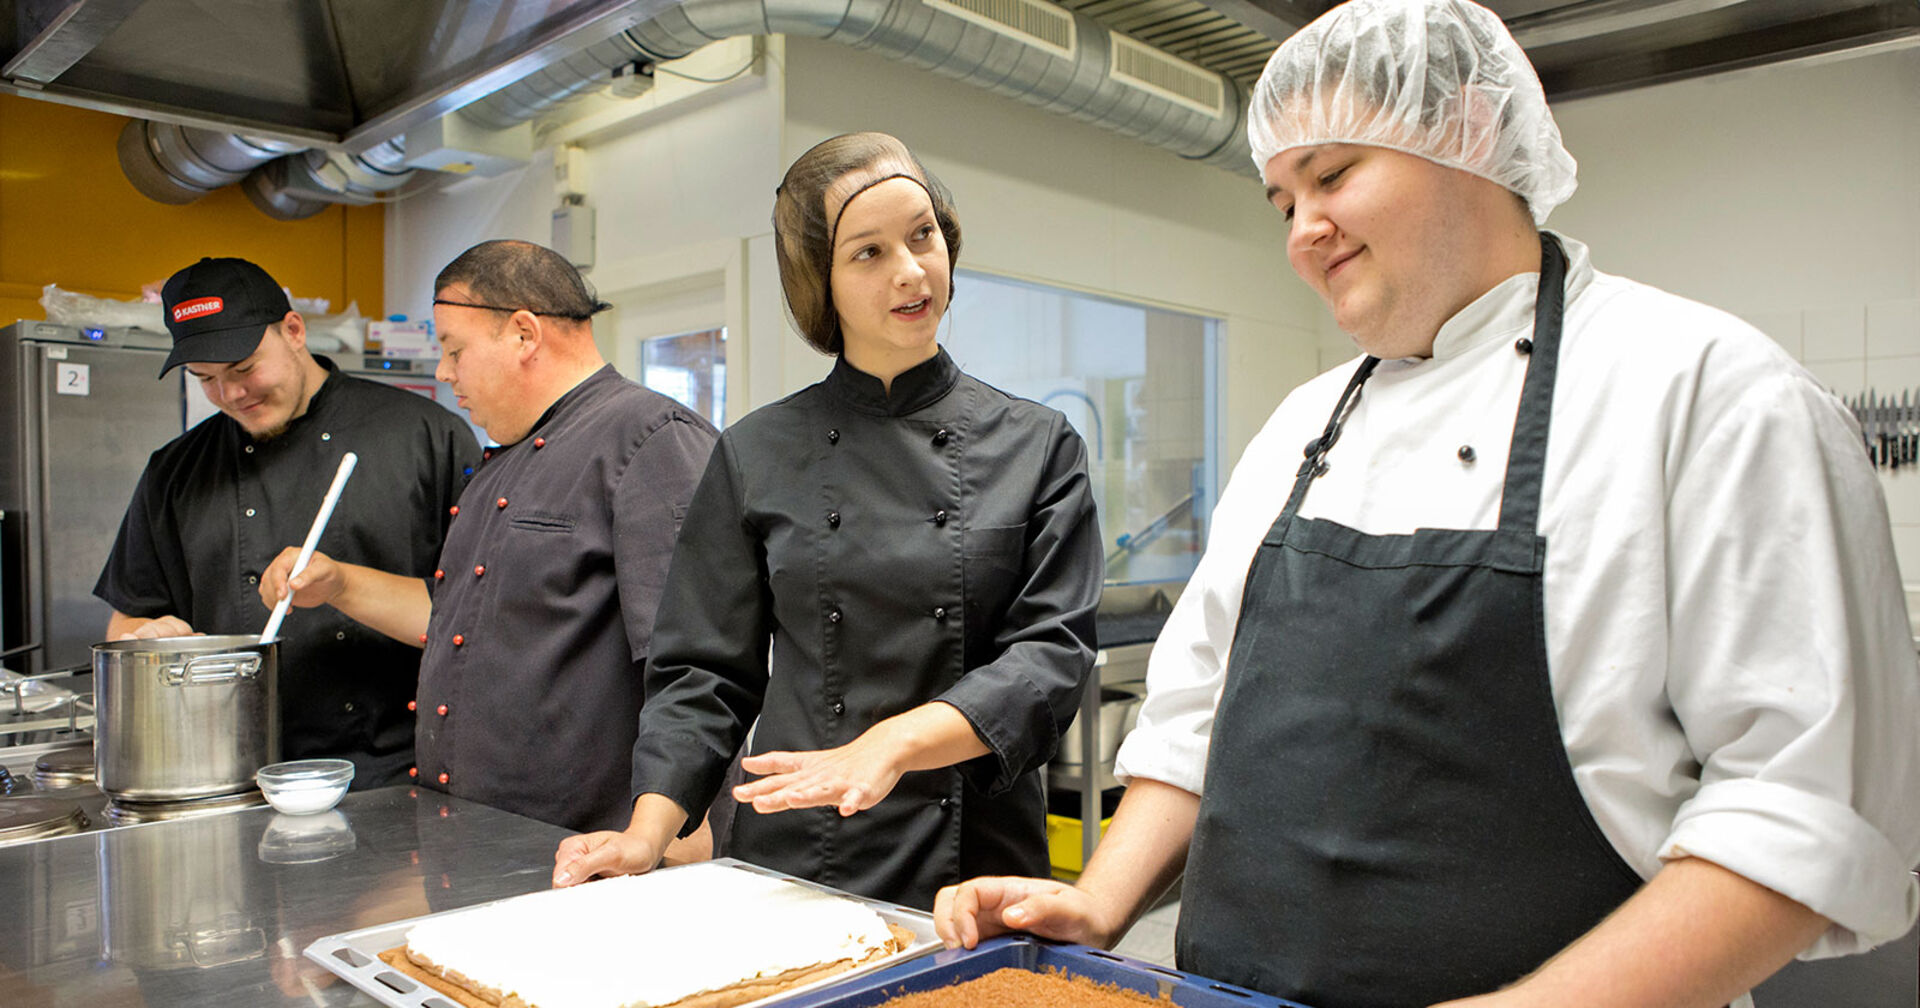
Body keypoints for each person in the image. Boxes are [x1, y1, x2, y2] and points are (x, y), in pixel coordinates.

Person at [933, 2, 1920, 1006]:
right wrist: (1099, 900)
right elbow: (1194, 717)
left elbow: (1798, 810)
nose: (1303, 231)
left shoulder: (1707, 393)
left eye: (1332, 175)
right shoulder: (1302, 426)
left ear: (1469, 131)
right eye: (1282, 202)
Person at [550, 132, 1104, 910]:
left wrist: (894, 744)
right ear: (821, 283)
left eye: (922, 235)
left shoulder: (1038, 445)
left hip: (976, 856)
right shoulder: (757, 452)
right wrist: (646, 836)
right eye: (868, 252)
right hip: (806, 852)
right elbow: (705, 671)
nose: (911, 270)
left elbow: (1050, 656)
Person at [260, 239, 718, 833]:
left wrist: (677, 828)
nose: (443, 372)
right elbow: (459, 621)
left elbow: (696, 667)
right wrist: (341, 584)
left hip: (591, 844)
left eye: (455, 350)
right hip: (482, 833)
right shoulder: (500, 461)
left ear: (524, 334)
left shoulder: (652, 439)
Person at [95, 256, 480, 788]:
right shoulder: (174, 471)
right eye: (206, 379)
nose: (231, 395)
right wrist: (149, 638)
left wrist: (342, 585)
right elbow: (129, 620)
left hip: (402, 774)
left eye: (244, 369)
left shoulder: (425, 436)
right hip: (231, 772)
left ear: (294, 330)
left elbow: (478, 620)